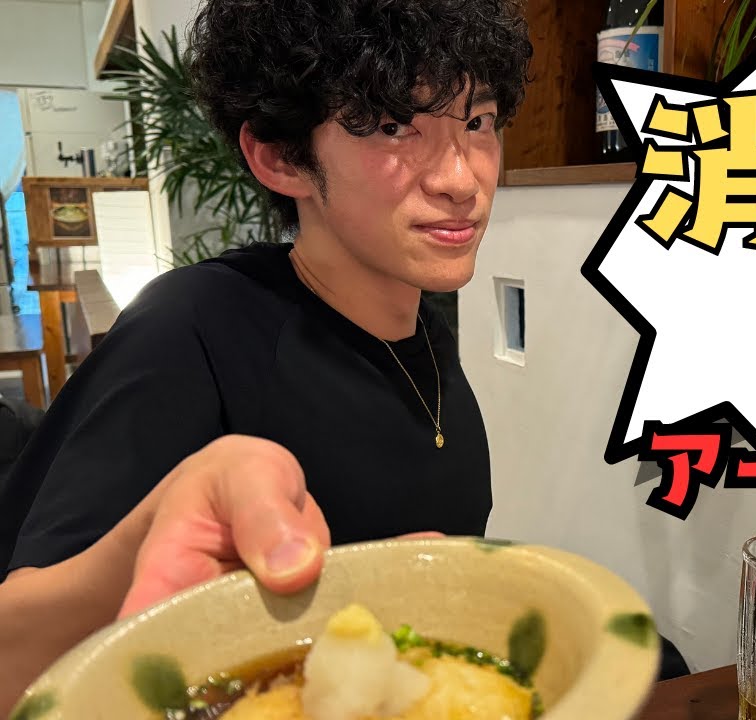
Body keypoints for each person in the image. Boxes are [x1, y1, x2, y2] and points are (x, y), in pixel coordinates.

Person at [0, 0, 685, 713]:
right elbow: (10, 661)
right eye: (394, 126)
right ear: (281, 156)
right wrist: (142, 544)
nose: (462, 178)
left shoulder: (426, 332)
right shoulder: (191, 328)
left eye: (478, 121)